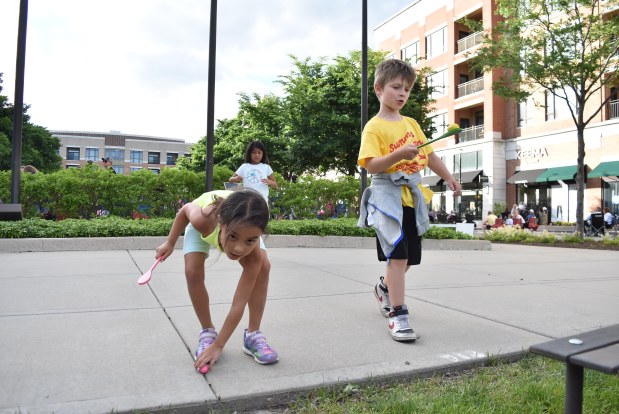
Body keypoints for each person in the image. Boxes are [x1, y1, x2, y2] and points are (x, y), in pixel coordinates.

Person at [357, 59, 461, 342]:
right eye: (396, 87)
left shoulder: (412, 124)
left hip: (412, 199)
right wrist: (398, 155)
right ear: (379, 89)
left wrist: (448, 178)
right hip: (386, 199)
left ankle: (384, 288)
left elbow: (431, 155)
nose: (402, 94)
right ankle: (398, 314)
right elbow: (371, 165)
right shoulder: (374, 127)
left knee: (409, 259)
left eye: (407, 89)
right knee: (398, 254)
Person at [155, 188, 278, 372]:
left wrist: (219, 346)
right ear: (221, 223)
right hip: (209, 222)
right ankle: (207, 333)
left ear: (259, 235)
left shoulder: (251, 247)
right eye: (233, 237)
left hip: (239, 222)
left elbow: (239, 304)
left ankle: (253, 335)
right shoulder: (204, 220)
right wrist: (170, 242)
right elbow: (185, 210)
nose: (238, 248)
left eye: (250, 241)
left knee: (263, 268)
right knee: (192, 272)